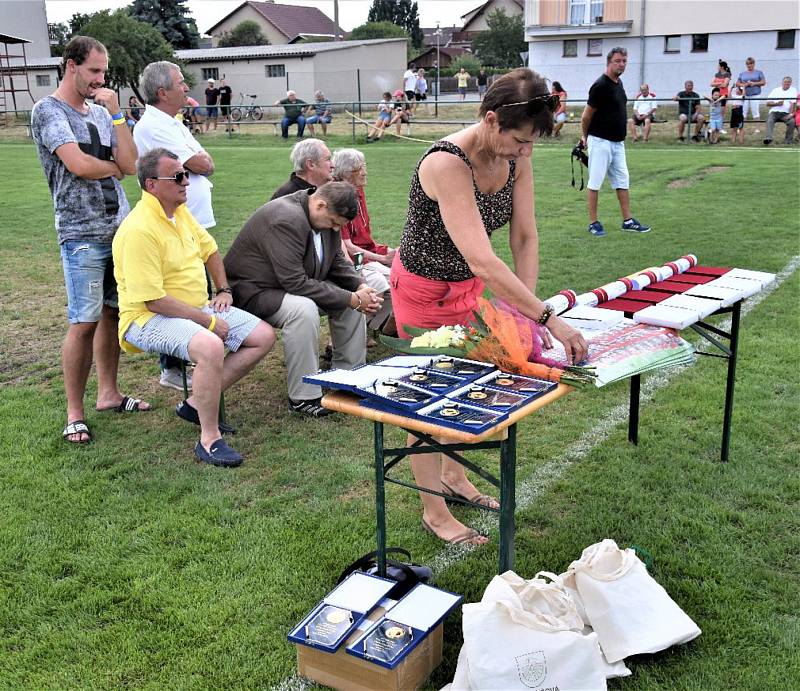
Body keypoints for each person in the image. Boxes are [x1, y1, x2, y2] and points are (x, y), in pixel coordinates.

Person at [389, 68, 589, 545]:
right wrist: (547, 317)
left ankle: (456, 479)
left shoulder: (519, 155)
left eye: (531, 143)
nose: (524, 151)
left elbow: (524, 235)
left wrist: (522, 313)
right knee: (426, 403)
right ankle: (433, 512)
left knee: (480, 387)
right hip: (422, 293)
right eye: (519, 140)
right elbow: (482, 257)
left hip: (467, 291)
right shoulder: (445, 163)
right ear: (492, 119)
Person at [113, 148, 275, 467]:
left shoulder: (180, 212)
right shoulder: (138, 230)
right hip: (147, 318)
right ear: (151, 185)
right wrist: (208, 322)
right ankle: (209, 439)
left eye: (185, 174)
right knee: (210, 346)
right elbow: (153, 300)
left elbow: (211, 250)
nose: (186, 181)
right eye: (177, 176)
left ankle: (194, 403)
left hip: (193, 307)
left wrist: (223, 289)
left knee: (263, 336)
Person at [30, 36, 147, 444]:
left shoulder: (101, 113)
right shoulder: (48, 111)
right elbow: (77, 164)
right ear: (71, 65)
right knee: (84, 321)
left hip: (121, 229)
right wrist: (112, 167)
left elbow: (131, 165)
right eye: (94, 71)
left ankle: (109, 394)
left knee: (113, 313)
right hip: (81, 231)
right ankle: (74, 412)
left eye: (104, 71)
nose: (100, 80)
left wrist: (117, 117)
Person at [224, 182, 382, 418]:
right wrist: (350, 297)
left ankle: (347, 379)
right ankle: (303, 396)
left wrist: (359, 287)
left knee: (349, 303)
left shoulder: (323, 215)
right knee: (303, 309)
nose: (335, 228)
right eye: (333, 223)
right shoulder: (285, 219)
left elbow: (336, 260)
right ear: (320, 205)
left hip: (290, 284)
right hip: (253, 291)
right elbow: (294, 282)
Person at [134, 60, 219, 391]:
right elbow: (200, 162)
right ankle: (174, 364)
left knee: (195, 283)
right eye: (180, 83)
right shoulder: (154, 126)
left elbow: (205, 163)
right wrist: (198, 162)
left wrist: (200, 161)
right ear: (162, 92)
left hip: (191, 219)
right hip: (172, 220)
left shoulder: (173, 122)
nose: (186, 88)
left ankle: (195, 354)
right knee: (175, 287)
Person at [580, 47, 651, 237]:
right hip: (600, 140)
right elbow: (586, 116)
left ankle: (628, 220)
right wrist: (584, 137)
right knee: (595, 182)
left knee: (622, 181)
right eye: (618, 61)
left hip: (618, 143)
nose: (621, 64)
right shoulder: (600, 85)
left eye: (624, 61)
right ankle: (593, 223)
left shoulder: (618, 84)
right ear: (609, 62)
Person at [332, 148, 396, 333]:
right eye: (360, 168)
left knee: (403, 266)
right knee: (385, 283)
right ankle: (362, 331)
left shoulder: (358, 191)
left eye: (364, 166)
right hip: (355, 260)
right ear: (346, 173)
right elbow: (350, 249)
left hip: (367, 253)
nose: (365, 172)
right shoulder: (339, 198)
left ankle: (375, 327)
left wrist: (387, 252)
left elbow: (364, 238)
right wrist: (383, 259)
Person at [763, 76, 797, 145]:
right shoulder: (775, 90)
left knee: (792, 122)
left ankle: (788, 141)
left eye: (788, 82)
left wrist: (790, 114)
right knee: (769, 120)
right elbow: (768, 103)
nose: (786, 83)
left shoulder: (793, 90)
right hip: (774, 112)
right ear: (782, 82)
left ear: (791, 83)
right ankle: (768, 138)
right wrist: (777, 104)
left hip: (785, 113)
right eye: (785, 82)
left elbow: (792, 104)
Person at [711, 59, 731, 124]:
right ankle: (715, 125)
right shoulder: (717, 74)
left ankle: (721, 127)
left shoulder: (727, 74)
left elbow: (725, 85)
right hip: (716, 94)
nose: (717, 67)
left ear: (722, 67)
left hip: (723, 95)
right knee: (715, 111)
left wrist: (716, 83)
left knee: (722, 111)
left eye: (718, 66)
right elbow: (711, 84)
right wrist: (720, 83)